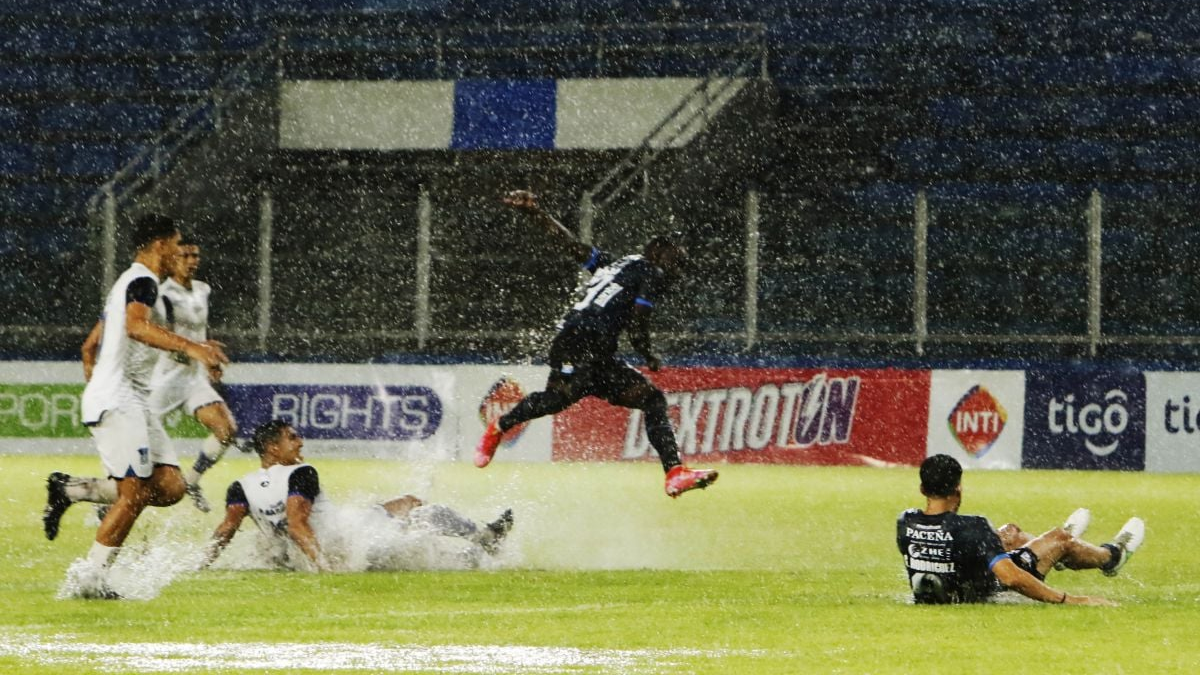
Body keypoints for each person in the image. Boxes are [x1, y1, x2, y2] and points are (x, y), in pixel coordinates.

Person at [474, 190, 718, 499]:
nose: (677, 269)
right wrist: (647, 354)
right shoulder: (651, 270)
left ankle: (674, 472)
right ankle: (499, 425)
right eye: (676, 260)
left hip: (599, 352)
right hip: (578, 341)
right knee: (557, 399)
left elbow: (572, 246)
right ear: (658, 250)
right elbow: (638, 321)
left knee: (651, 399)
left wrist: (536, 213)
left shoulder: (617, 266)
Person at [43, 213, 229, 599]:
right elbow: (135, 327)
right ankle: (89, 580)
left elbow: (90, 343)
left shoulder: (130, 283)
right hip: (120, 399)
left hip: (132, 399)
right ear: (160, 244)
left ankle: (71, 490)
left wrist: (95, 371)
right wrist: (194, 347)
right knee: (134, 494)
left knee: (171, 487)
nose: (181, 252)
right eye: (177, 245)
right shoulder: (142, 281)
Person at [205, 420, 514, 571]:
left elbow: (225, 529)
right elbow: (298, 525)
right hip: (354, 544)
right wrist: (325, 569)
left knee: (407, 503)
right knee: (428, 517)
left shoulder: (240, 486)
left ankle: (481, 544)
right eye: (292, 437)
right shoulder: (302, 473)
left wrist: (201, 564)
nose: (300, 442)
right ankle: (484, 546)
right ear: (272, 448)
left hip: (346, 533)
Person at [897, 454, 1145, 606]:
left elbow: (942, 544)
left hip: (965, 580)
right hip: (991, 588)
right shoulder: (974, 526)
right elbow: (1011, 577)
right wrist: (1070, 600)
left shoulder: (905, 521)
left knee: (1010, 534)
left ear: (922, 489)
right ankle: (1110, 557)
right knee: (1060, 538)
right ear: (958, 489)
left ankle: (1063, 555)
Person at [143, 237, 243, 512]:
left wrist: (207, 351)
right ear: (173, 259)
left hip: (193, 377)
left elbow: (198, 332)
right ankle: (109, 497)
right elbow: (160, 339)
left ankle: (191, 481)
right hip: (166, 376)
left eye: (195, 256)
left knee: (226, 430)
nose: (191, 261)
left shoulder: (203, 290)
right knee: (138, 439)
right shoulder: (163, 295)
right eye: (184, 256)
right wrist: (199, 351)